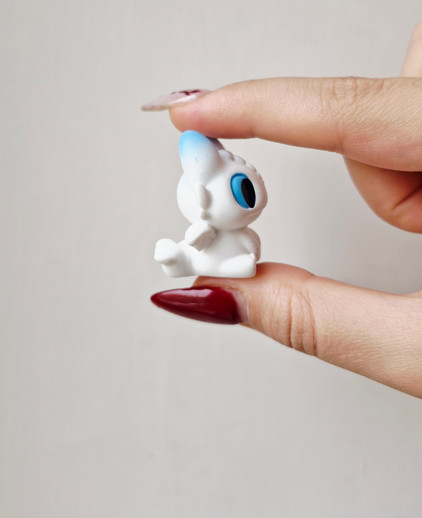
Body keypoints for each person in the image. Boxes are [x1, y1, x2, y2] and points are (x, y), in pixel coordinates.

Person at [144, 24, 422, 399]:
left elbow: (249, 249)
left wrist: (237, 257)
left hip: (235, 261)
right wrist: (194, 245)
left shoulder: (240, 231)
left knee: (237, 262)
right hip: (209, 255)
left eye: (241, 188)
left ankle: (192, 261)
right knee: (187, 254)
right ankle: (177, 259)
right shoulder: (207, 220)